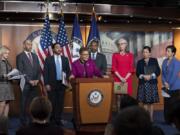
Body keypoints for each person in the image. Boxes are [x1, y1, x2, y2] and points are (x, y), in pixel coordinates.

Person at [44, 43, 70, 126]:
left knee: (60, 102)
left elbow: (68, 71)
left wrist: (66, 80)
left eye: (60, 47)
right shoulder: (48, 59)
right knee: (52, 102)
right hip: (51, 84)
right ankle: (51, 119)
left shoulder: (65, 59)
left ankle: (58, 119)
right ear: (53, 49)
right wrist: (46, 83)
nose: (59, 49)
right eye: (57, 47)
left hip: (62, 84)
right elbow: (45, 72)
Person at [16, 40, 40, 126]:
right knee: (24, 103)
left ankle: (32, 120)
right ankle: (23, 121)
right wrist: (29, 80)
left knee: (33, 103)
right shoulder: (20, 56)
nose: (30, 46)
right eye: (28, 44)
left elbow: (38, 70)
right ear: (24, 45)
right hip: (25, 84)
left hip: (35, 84)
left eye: (31, 44)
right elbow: (21, 71)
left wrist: (37, 80)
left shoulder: (35, 56)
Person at [136, 46, 160, 121]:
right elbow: (137, 73)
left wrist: (151, 76)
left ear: (150, 53)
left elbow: (158, 71)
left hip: (152, 83)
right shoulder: (139, 62)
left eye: (146, 52)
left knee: (151, 102)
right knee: (144, 102)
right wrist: (143, 76)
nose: (144, 53)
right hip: (143, 83)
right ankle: (145, 119)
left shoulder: (154, 60)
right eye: (143, 52)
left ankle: (151, 118)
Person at [161, 45, 180, 123]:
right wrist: (164, 82)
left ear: (173, 53)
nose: (167, 52)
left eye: (168, 51)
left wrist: (169, 84)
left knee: (173, 105)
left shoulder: (177, 62)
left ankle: (173, 121)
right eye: (166, 51)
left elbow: (175, 75)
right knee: (166, 104)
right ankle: (167, 120)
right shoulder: (164, 61)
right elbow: (163, 74)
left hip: (174, 87)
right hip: (165, 86)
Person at [0, 46, 14, 117]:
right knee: (2, 104)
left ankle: (4, 122)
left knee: (7, 104)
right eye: (6, 53)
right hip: (2, 86)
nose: (7, 55)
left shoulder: (7, 62)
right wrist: (3, 76)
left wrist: (13, 75)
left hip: (8, 85)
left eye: (8, 53)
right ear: (1, 53)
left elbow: (10, 72)